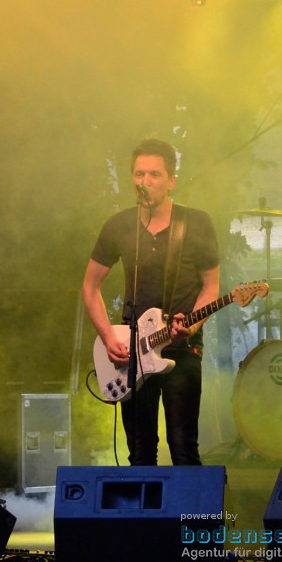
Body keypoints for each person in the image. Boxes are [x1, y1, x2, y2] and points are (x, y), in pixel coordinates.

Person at [81, 139, 219, 465]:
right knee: (141, 453)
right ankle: (145, 518)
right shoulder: (119, 226)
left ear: (171, 181)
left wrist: (193, 324)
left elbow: (211, 287)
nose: (146, 181)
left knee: (184, 448)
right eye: (139, 173)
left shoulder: (196, 223)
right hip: (132, 353)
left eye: (155, 174)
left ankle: (195, 518)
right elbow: (90, 287)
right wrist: (107, 337)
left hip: (182, 350)